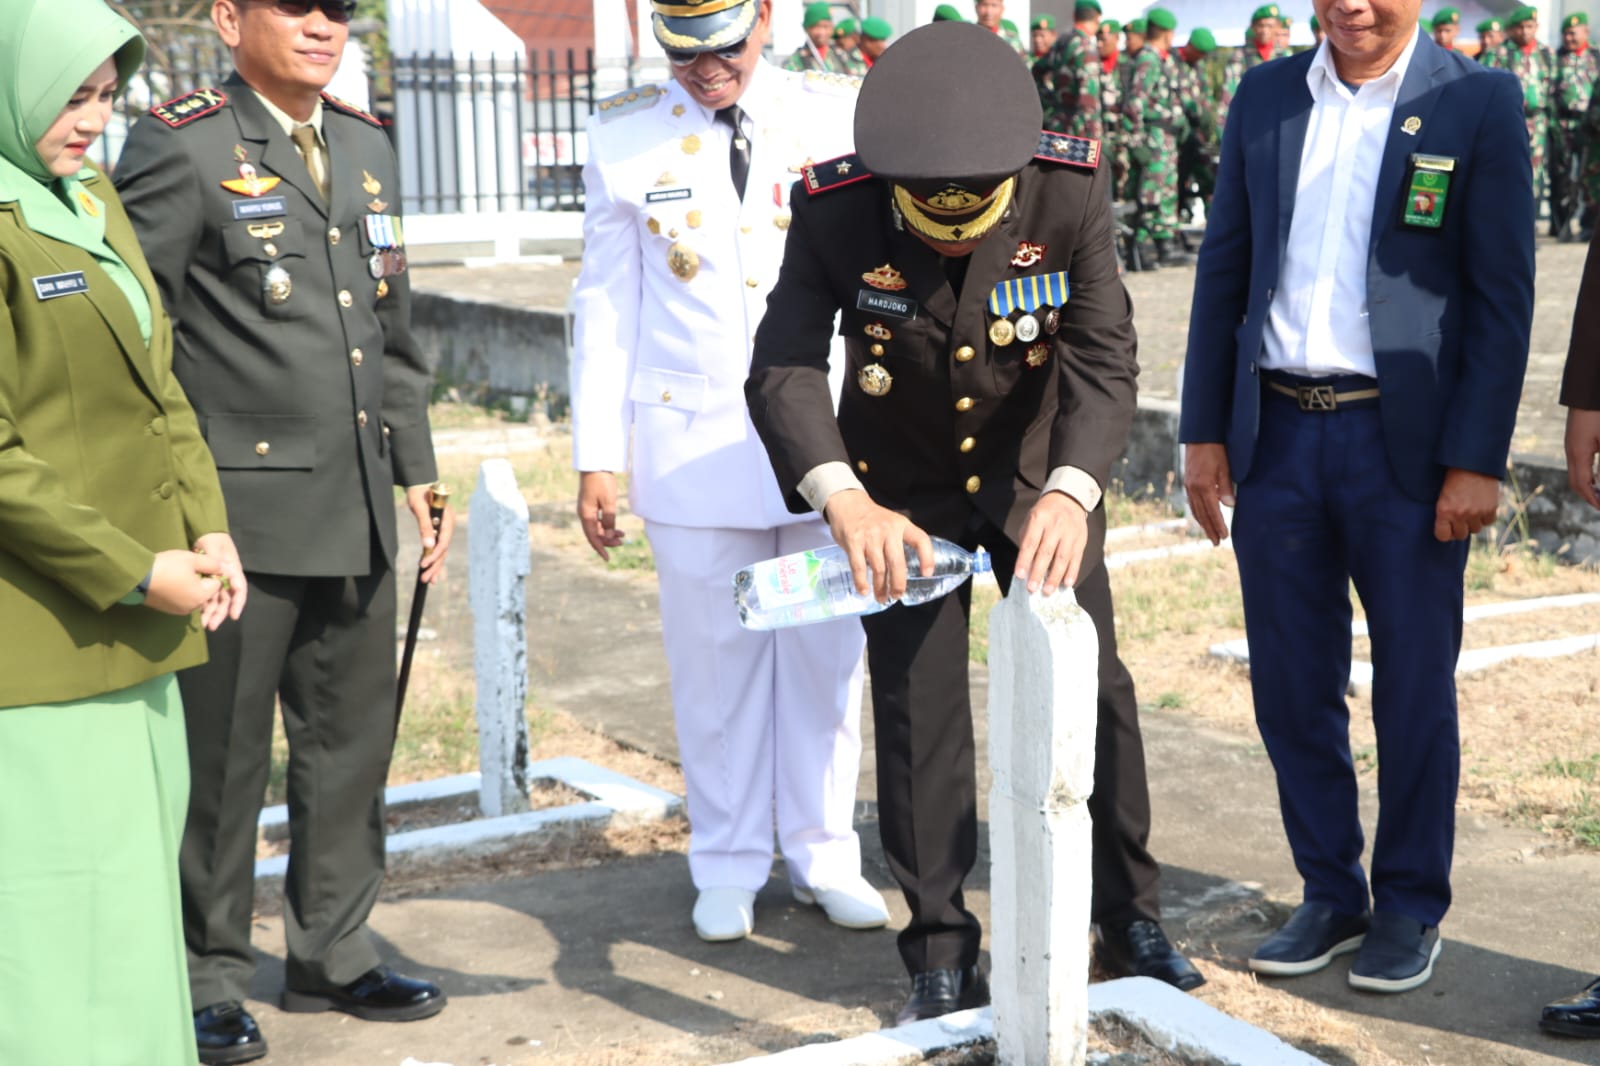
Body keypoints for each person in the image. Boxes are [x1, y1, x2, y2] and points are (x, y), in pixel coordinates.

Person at [746, 18, 1205, 1027]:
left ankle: (1127, 913)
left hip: (1032, 474)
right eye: (932, 220)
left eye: (975, 217)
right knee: (918, 710)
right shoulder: (836, 207)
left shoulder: (1067, 185)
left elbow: (1100, 352)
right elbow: (782, 362)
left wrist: (1074, 489)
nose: (955, 237)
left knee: (1096, 687)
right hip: (896, 489)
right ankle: (941, 947)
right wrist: (842, 496)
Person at [114, 0, 454, 1060]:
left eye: (339, 9)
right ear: (228, 17)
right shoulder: (183, 145)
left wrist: (418, 471)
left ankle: (335, 951)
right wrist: (173, 511)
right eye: (294, 5)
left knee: (350, 744)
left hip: (354, 503)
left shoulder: (360, 144)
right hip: (237, 518)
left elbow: (389, 332)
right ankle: (207, 972)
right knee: (221, 762)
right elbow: (138, 333)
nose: (322, 26)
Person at [1180, 0, 1533, 995]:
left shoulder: (1476, 102)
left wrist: (1477, 458)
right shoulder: (1262, 96)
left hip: (1405, 449)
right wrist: (1204, 433)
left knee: (1413, 687)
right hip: (1280, 434)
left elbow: (1503, 297)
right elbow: (1223, 272)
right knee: (1291, 685)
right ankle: (1330, 889)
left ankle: (1411, 900)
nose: (1352, 7)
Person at [571, 0, 887, 951]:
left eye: (724, 51)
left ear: (764, 23)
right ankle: (728, 859)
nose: (707, 72)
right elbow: (608, 299)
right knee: (715, 669)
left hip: (822, 446)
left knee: (828, 666)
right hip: (691, 442)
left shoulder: (838, 114)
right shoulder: (627, 136)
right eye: (684, 55)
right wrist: (598, 455)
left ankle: (826, 853)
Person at [0, 1, 249, 1063]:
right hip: (43, 640)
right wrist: (131, 568)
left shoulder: (88, 195)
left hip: (147, 623)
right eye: (70, 94)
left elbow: (163, 385)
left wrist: (211, 528)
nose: (91, 118)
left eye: (105, 95)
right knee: (58, 917)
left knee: (135, 899)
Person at [1123, 7, 1196, 270]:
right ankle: (1140, 248)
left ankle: (1165, 245)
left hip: (1165, 136)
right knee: (1150, 194)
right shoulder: (1148, 60)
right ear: (1167, 33)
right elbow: (1135, 102)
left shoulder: (1160, 59)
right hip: (1153, 137)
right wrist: (1137, 141)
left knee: (1163, 191)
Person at [1490, 7, 1555, 218]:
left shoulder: (1546, 53)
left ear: (1536, 27)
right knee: (1508, 171)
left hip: (1538, 121)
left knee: (1535, 174)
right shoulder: (1500, 53)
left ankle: (1530, 222)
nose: (1525, 31)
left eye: (1530, 26)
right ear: (1512, 29)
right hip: (1509, 121)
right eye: (1521, 27)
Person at [1552, 12, 1597, 241]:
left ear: (1585, 32)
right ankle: (1561, 225)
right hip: (1563, 124)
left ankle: (1589, 224)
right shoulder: (1556, 57)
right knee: (1563, 178)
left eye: (1573, 33)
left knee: (1590, 176)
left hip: (1590, 127)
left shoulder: (1596, 57)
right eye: (1565, 34)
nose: (1568, 38)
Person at [1220, 5, 1292, 133]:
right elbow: (1229, 95)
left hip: (1278, 126)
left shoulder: (1286, 56)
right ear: (1253, 27)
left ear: (1277, 28)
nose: (1264, 30)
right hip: (1248, 125)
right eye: (1260, 25)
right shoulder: (1240, 57)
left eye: (1269, 26)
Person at [1036, 2, 1103, 139]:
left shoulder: (1062, 43)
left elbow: (1036, 71)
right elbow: (1088, 101)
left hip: (1057, 124)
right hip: (1078, 131)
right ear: (1098, 19)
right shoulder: (1085, 47)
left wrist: (1049, 104)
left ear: (1074, 16)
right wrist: (1094, 140)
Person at [1176, 29, 1221, 224]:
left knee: (1210, 178)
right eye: (1199, 52)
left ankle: (1215, 223)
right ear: (1190, 46)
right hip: (1177, 138)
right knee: (1176, 184)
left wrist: (1211, 125)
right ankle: (1173, 228)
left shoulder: (1199, 68)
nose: (1201, 57)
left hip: (1197, 138)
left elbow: (1206, 101)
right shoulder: (1172, 64)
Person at [785, 2, 848, 74]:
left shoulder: (841, 56)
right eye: (816, 27)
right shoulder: (794, 62)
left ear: (831, 28)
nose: (821, 32)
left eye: (826, 26)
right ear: (806, 29)